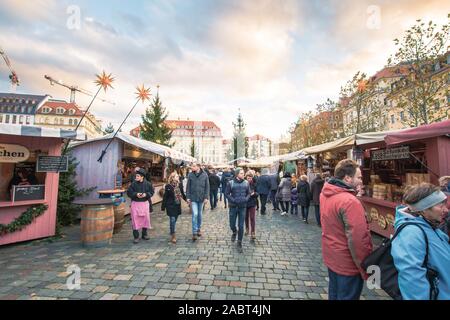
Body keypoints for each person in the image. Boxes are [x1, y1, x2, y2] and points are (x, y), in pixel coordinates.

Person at [320, 159, 372, 300]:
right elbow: (358, 239)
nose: (362, 180)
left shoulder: (325, 193)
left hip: (332, 256)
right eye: (359, 177)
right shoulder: (349, 201)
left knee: (334, 294)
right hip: (347, 263)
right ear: (348, 178)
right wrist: (365, 266)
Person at [391, 183, 450, 300]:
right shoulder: (411, 232)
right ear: (423, 209)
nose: (446, 210)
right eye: (440, 205)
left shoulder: (428, 225)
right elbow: (411, 279)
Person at [225, 168, 251, 253]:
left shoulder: (246, 183)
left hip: (242, 207)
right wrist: (233, 200)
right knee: (232, 224)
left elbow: (249, 193)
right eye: (241, 173)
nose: (243, 175)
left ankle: (239, 242)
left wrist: (246, 199)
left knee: (241, 225)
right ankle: (234, 231)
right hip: (233, 207)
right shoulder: (231, 183)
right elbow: (227, 194)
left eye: (243, 173)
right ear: (237, 174)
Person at [127, 169, 153, 244]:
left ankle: (144, 234)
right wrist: (136, 194)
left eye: (138, 176)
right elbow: (129, 192)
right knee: (135, 220)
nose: (136, 177)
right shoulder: (133, 184)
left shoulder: (148, 184)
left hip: (145, 204)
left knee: (145, 219)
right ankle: (136, 236)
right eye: (136, 176)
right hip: (135, 204)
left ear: (142, 177)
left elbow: (151, 192)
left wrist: (146, 194)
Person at [186, 163, 210, 241]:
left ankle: (199, 228)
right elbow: (188, 187)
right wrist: (188, 197)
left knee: (199, 214)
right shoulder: (190, 175)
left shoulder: (205, 175)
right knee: (195, 214)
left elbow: (207, 187)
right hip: (193, 198)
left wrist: (206, 197)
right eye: (192, 166)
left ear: (198, 167)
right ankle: (194, 232)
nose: (192, 167)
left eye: (193, 166)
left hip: (201, 198)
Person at [161, 172, 187, 244]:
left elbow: (182, 194)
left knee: (175, 219)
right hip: (170, 205)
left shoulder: (180, 185)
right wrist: (163, 207)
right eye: (176, 176)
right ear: (172, 178)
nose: (178, 177)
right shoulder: (168, 186)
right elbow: (165, 197)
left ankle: (171, 229)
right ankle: (173, 235)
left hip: (177, 204)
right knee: (172, 219)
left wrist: (187, 200)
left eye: (178, 177)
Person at [245, 171, 258, 241]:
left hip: (252, 203)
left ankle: (253, 232)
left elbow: (258, 193)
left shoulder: (255, 184)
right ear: (246, 178)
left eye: (250, 178)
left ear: (252, 178)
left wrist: (254, 193)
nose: (249, 179)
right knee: (245, 217)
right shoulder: (243, 184)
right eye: (248, 178)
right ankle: (247, 229)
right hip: (245, 203)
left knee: (252, 217)